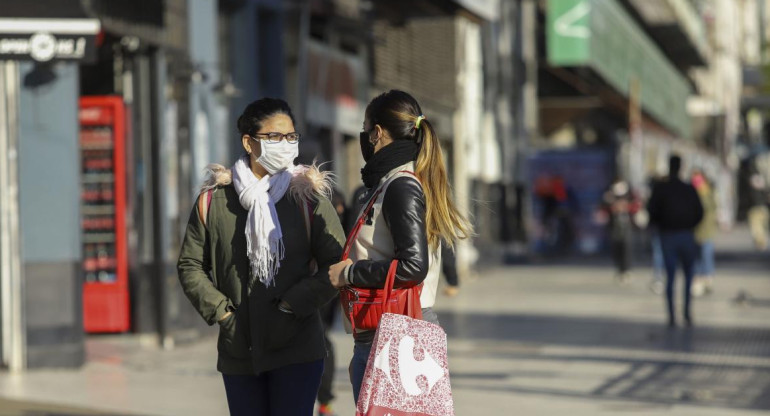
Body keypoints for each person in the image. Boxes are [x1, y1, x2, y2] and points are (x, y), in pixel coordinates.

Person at [177, 98, 346, 416]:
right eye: (274, 137)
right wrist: (223, 315)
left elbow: (336, 264)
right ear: (248, 141)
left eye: (291, 137)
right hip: (239, 349)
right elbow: (190, 264)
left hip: (297, 345)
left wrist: (291, 305)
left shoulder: (307, 198)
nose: (285, 144)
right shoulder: (214, 202)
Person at [327, 90, 472, 404]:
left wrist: (350, 272)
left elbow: (413, 266)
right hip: (385, 329)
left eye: (366, 131)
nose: (365, 139)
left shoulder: (400, 186)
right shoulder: (395, 182)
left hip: (395, 330)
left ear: (377, 133)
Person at [647, 155, 703, 327]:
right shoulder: (688, 189)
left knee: (670, 277)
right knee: (688, 276)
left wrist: (660, 225)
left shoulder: (661, 189)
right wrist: (690, 225)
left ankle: (672, 315)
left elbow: (651, 210)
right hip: (686, 235)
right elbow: (700, 212)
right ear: (681, 167)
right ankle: (686, 313)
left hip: (668, 236)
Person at [316, 188, 348, 416]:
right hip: (330, 281)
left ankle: (324, 401)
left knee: (321, 340)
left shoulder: (310, 197)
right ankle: (324, 402)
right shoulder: (330, 195)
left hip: (325, 282)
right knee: (322, 340)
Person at [601, 177, 639, 282]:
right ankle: (619, 269)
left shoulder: (629, 194)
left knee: (627, 248)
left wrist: (626, 207)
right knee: (616, 247)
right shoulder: (609, 194)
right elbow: (603, 207)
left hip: (627, 225)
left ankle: (626, 270)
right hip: (614, 225)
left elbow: (636, 206)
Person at [691, 170, 717, 296]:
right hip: (695, 231)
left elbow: (711, 212)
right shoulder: (692, 192)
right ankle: (698, 280)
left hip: (706, 230)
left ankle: (707, 279)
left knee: (706, 255)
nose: (696, 181)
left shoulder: (707, 192)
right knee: (696, 257)